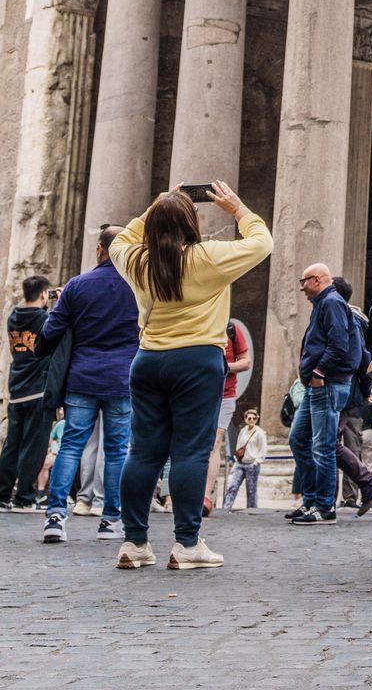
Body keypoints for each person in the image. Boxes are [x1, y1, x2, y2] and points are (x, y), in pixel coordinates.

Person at [110, 182, 273, 569]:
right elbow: (262, 242)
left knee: (143, 452)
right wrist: (237, 208)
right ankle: (187, 544)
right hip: (197, 361)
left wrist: (155, 208)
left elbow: (122, 239)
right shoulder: (207, 257)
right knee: (190, 452)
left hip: (148, 360)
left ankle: (134, 543)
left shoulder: (136, 260)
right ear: (191, 223)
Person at [37, 225, 139, 545]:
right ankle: (110, 520)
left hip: (82, 376)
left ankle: (55, 517)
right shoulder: (140, 287)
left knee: (71, 446)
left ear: (99, 250)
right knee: (117, 450)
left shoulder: (77, 286)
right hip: (122, 379)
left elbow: (51, 332)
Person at [285, 263, 359, 526]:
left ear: (316, 280)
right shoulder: (324, 304)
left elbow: (339, 344)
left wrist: (319, 371)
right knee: (298, 439)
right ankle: (311, 500)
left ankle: (325, 506)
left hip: (326, 385)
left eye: (303, 281)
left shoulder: (331, 303)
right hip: (316, 386)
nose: (302, 287)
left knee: (323, 446)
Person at [329, 276, 372, 516]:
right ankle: (345, 494)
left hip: (340, 389)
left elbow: (357, 358)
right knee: (335, 444)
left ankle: (328, 498)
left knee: (327, 443)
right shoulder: (355, 320)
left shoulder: (344, 317)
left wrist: (316, 370)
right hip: (351, 393)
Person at [0, 276, 53, 511]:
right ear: (43, 294)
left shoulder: (13, 317)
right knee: (34, 446)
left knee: (12, 445)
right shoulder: (44, 319)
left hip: (17, 388)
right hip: (37, 390)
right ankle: (24, 497)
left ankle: (3, 494)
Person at [203, 318, 252, 516]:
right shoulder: (198, 322)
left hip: (225, 394)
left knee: (215, 442)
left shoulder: (231, 329)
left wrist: (224, 367)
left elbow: (246, 362)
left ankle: (205, 496)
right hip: (197, 393)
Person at [222, 409, 267, 509]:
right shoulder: (243, 431)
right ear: (246, 419)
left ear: (256, 419)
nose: (252, 420)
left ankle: (251, 510)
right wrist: (236, 458)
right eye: (249, 418)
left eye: (254, 418)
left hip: (252, 464)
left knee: (251, 490)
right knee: (232, 486)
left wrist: (257, 462)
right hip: (240, 463)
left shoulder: (259, 433)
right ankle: (226, 507)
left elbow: (263, 449)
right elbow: (239, 445)